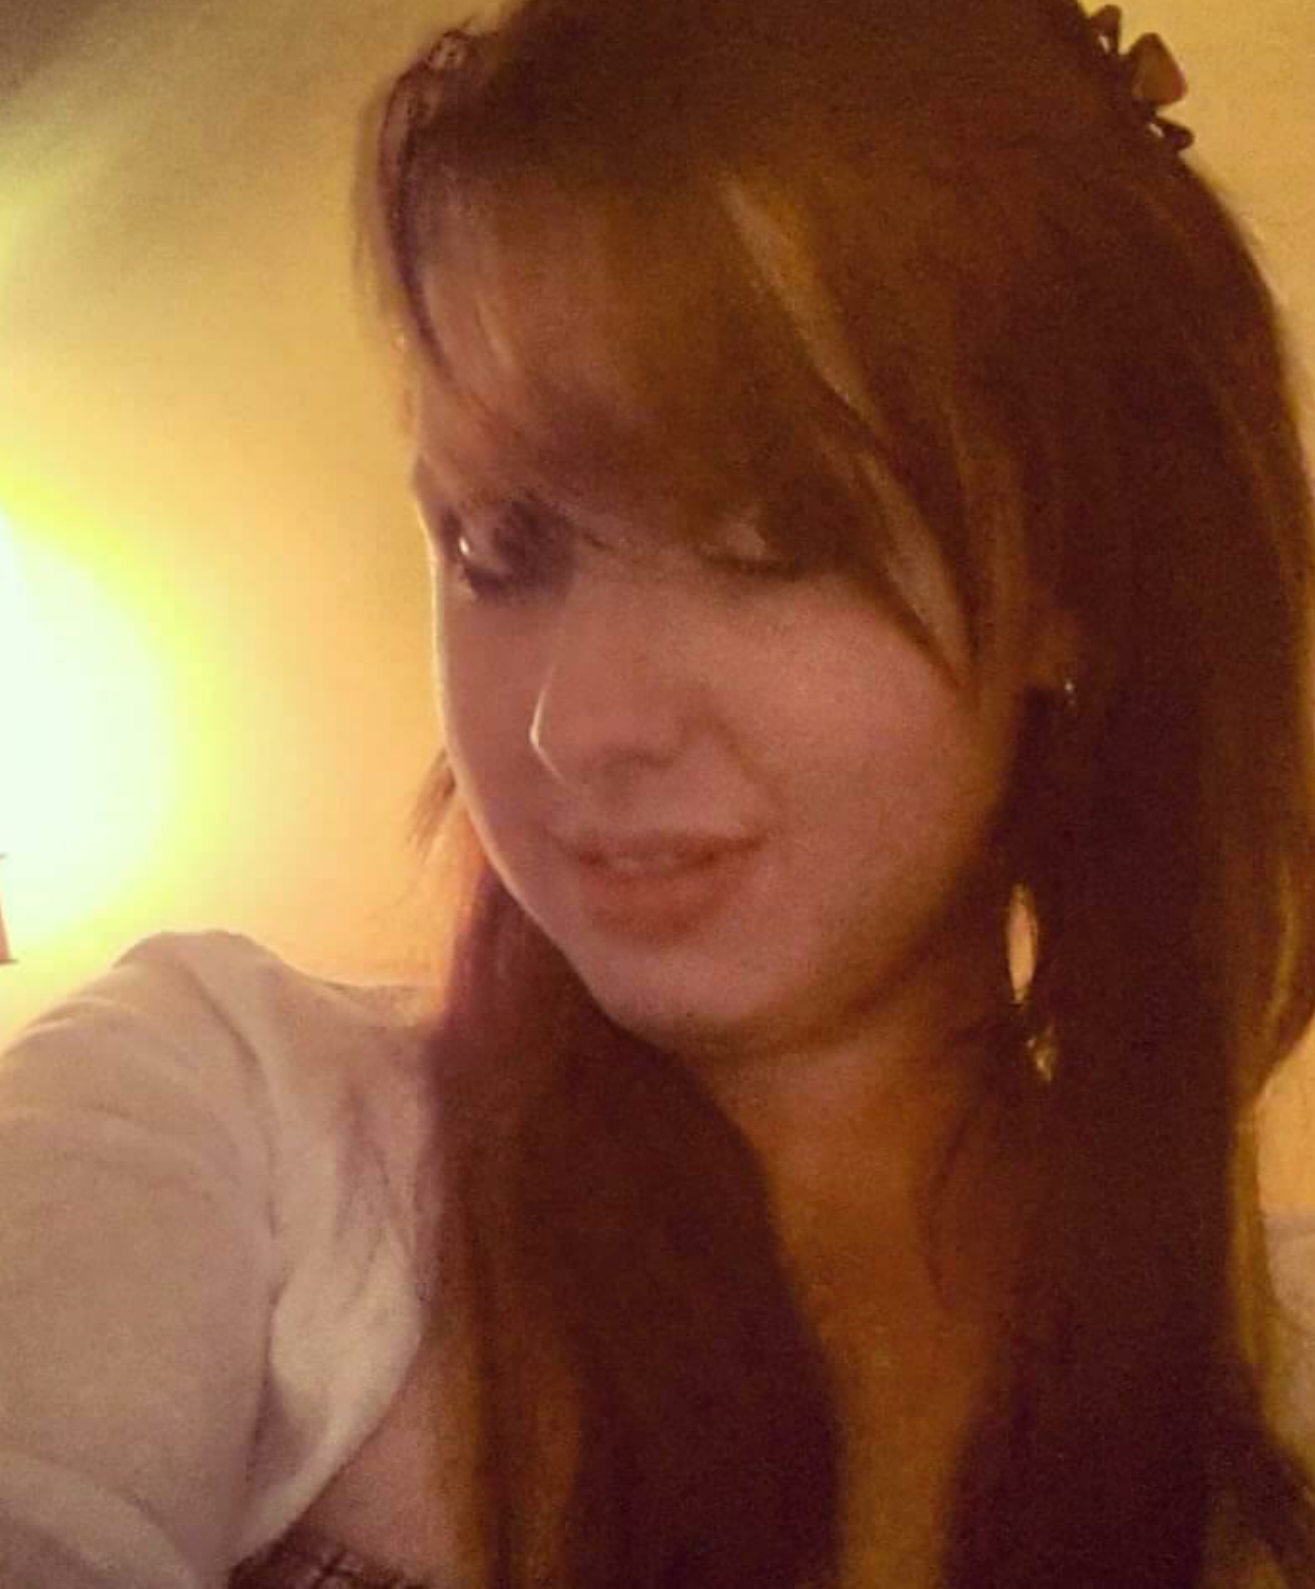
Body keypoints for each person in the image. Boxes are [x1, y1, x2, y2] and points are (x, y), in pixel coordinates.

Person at [2, 0, 1314, 1584]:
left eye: (773, 536)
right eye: (499, 547)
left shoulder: (1274, 1394)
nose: (573, 726)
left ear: (1070, 580)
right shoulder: (227, 1120)